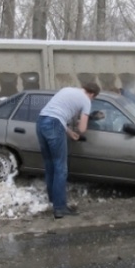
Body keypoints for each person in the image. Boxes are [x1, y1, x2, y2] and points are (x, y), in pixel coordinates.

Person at [36, 82, 100, 218]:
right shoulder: (86, 100)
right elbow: (82, 129)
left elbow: (54, 115)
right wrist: (83, 122)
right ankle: (60, 208)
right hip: (54, 125)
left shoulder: (67, 89)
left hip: (41, 122)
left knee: (50, 166)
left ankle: (53, 201)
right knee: (60, 167)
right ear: (92, 94)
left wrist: (70, 132)